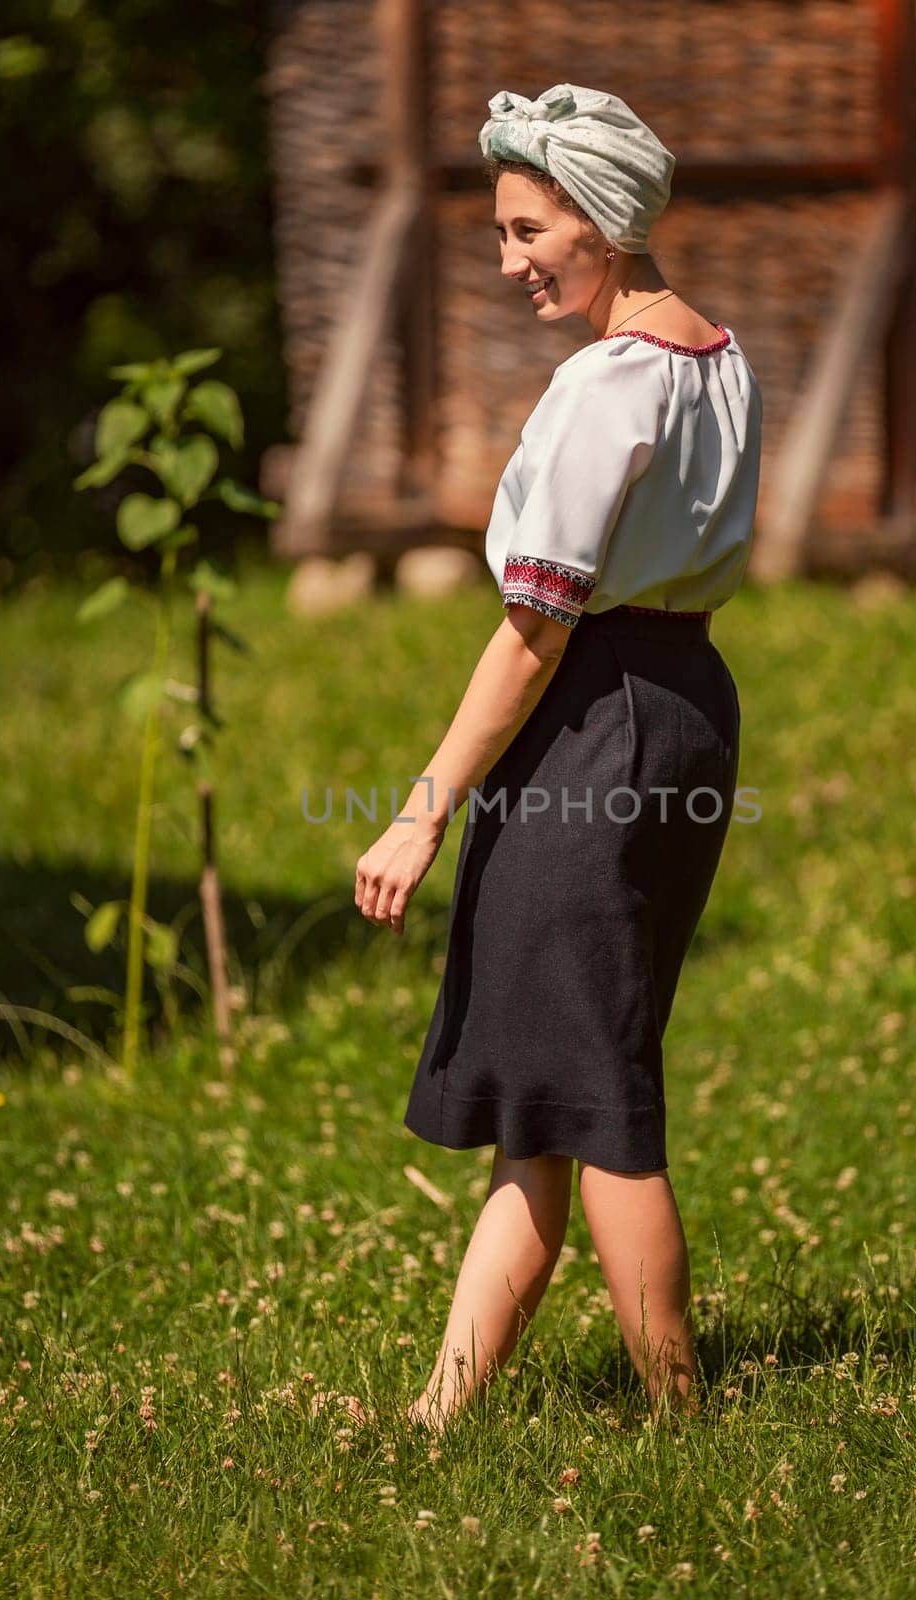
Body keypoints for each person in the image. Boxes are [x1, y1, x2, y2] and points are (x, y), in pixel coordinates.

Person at [351, 83, 763, 1435]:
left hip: (591, 717)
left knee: (591, 1094)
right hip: (684, 697)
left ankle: (681, 1420)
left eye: (529, 229)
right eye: (503, 230)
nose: (509, 256)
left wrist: (417, 813)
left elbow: (532, 633)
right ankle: (436, 1414)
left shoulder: (608, 382)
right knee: (551, 1080)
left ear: (601, 220)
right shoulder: (719, 357)